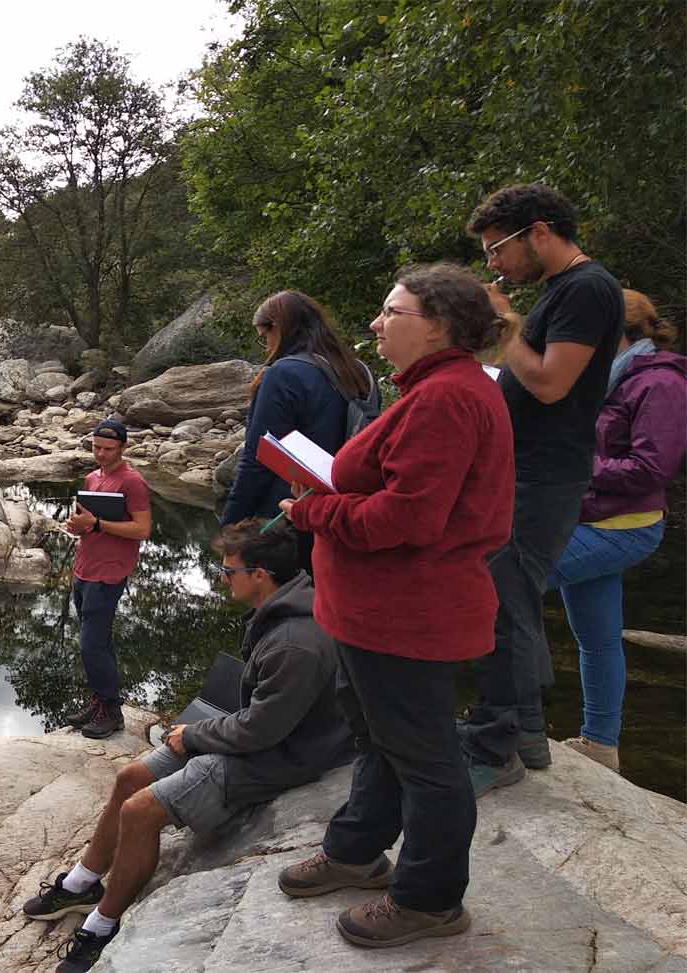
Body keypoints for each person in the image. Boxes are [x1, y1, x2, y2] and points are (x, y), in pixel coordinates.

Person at [277, 263, 513, 948]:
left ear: (436, 325)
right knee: (380, 734)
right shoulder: (433, 390)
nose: (376, 325)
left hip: (408, 613)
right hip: (376, 610)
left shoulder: (445, 399)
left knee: (428, 758)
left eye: (392, 312)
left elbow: (408, 518)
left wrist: (318, 510)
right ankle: (357, 849)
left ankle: (430, 899)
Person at [21, 520, 350, 973]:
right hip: (254, 734)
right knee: (130, 777)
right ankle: (82, 882)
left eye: (229, 570)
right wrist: (201, 730)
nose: (222, 577)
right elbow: (257, 714)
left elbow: (261, 733)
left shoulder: (296, 644)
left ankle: (102, 926)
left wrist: (194, 734)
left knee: (140, 812)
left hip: (279, 758)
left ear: (260, 575)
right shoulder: (280, 606)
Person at [458, 183, 625, 794]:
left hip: (543, 475)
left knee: (502, 601)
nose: (493, 264)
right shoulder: (567, 290)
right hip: (529, 470)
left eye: (497, 249)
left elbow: (552, 384)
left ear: (540, 232)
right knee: (510, 597)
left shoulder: (586, 288)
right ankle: (523, 734)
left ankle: (497, 746)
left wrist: (505, 324)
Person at [546, 291, 685, 772]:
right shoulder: (609, 377)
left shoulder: (660, 384)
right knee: (597, 637)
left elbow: (651, 469)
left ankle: (509, 726)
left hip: (624, 528)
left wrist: (574, 464)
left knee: (501, 585)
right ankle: (601, 746)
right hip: (592, 518)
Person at [222, 291, 376, 530]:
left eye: (264, 337)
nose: (266, 347)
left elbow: (257, 459)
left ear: (278, 328)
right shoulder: (359, 372)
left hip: (288, 514)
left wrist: (230, 525)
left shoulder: (283, 374)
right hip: (345, 510)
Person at [61, 419, 151, 740]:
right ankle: (100, 701)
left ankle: (112, 713)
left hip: (109, 573)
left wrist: (97, 523)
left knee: (91, 646)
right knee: (99, 643)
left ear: (123, 447)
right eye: (96, 447)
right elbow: (87, 522)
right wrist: (80, 525)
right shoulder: (92, 477)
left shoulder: (132, 482)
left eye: (108, 449)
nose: (100, 454)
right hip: (84, 567)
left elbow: (142, 529)